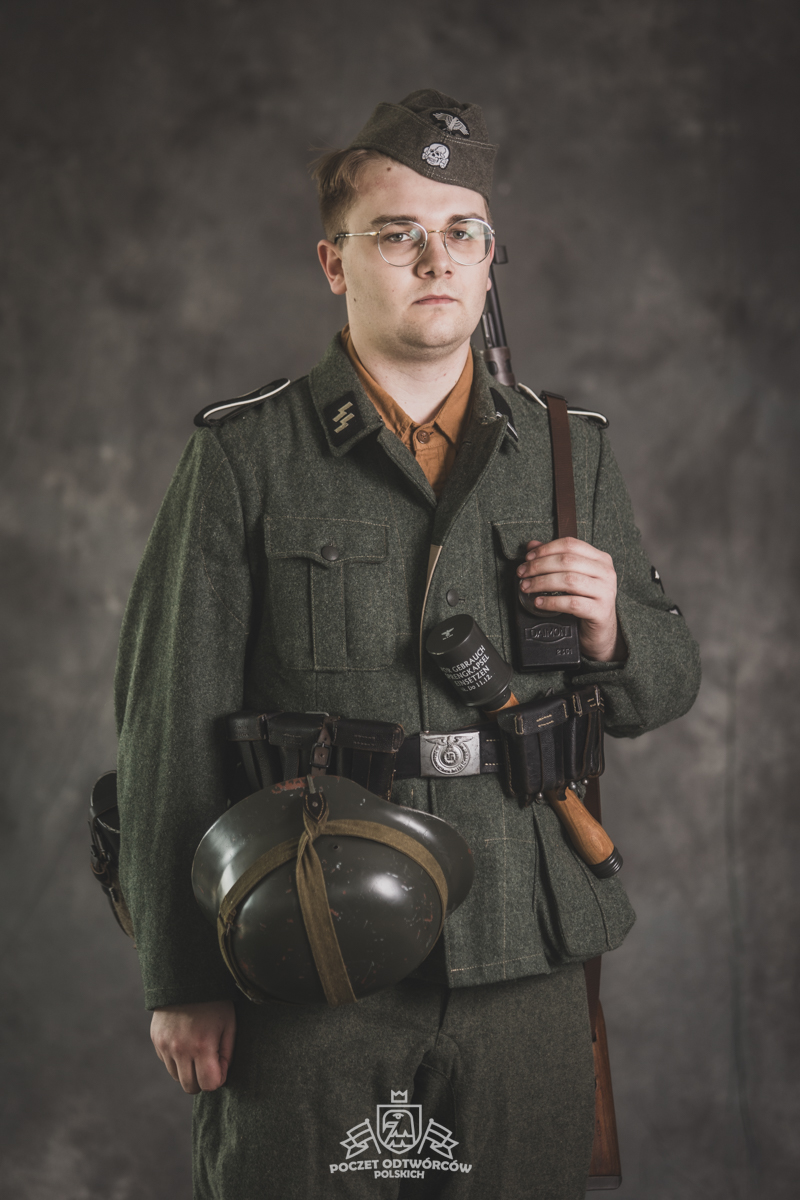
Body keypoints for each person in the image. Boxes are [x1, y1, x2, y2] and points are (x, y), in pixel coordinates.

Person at [115, 90, 701, 1199]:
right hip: (308, 942)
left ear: (488, 259)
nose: (435, 259)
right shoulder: (246, 456)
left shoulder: (569, 453)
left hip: (522, 946)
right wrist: (181, 974)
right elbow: (167, 725)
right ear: (334, 263)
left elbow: (663, 687)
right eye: (396, 234)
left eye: (462, 232)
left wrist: (613, 628)